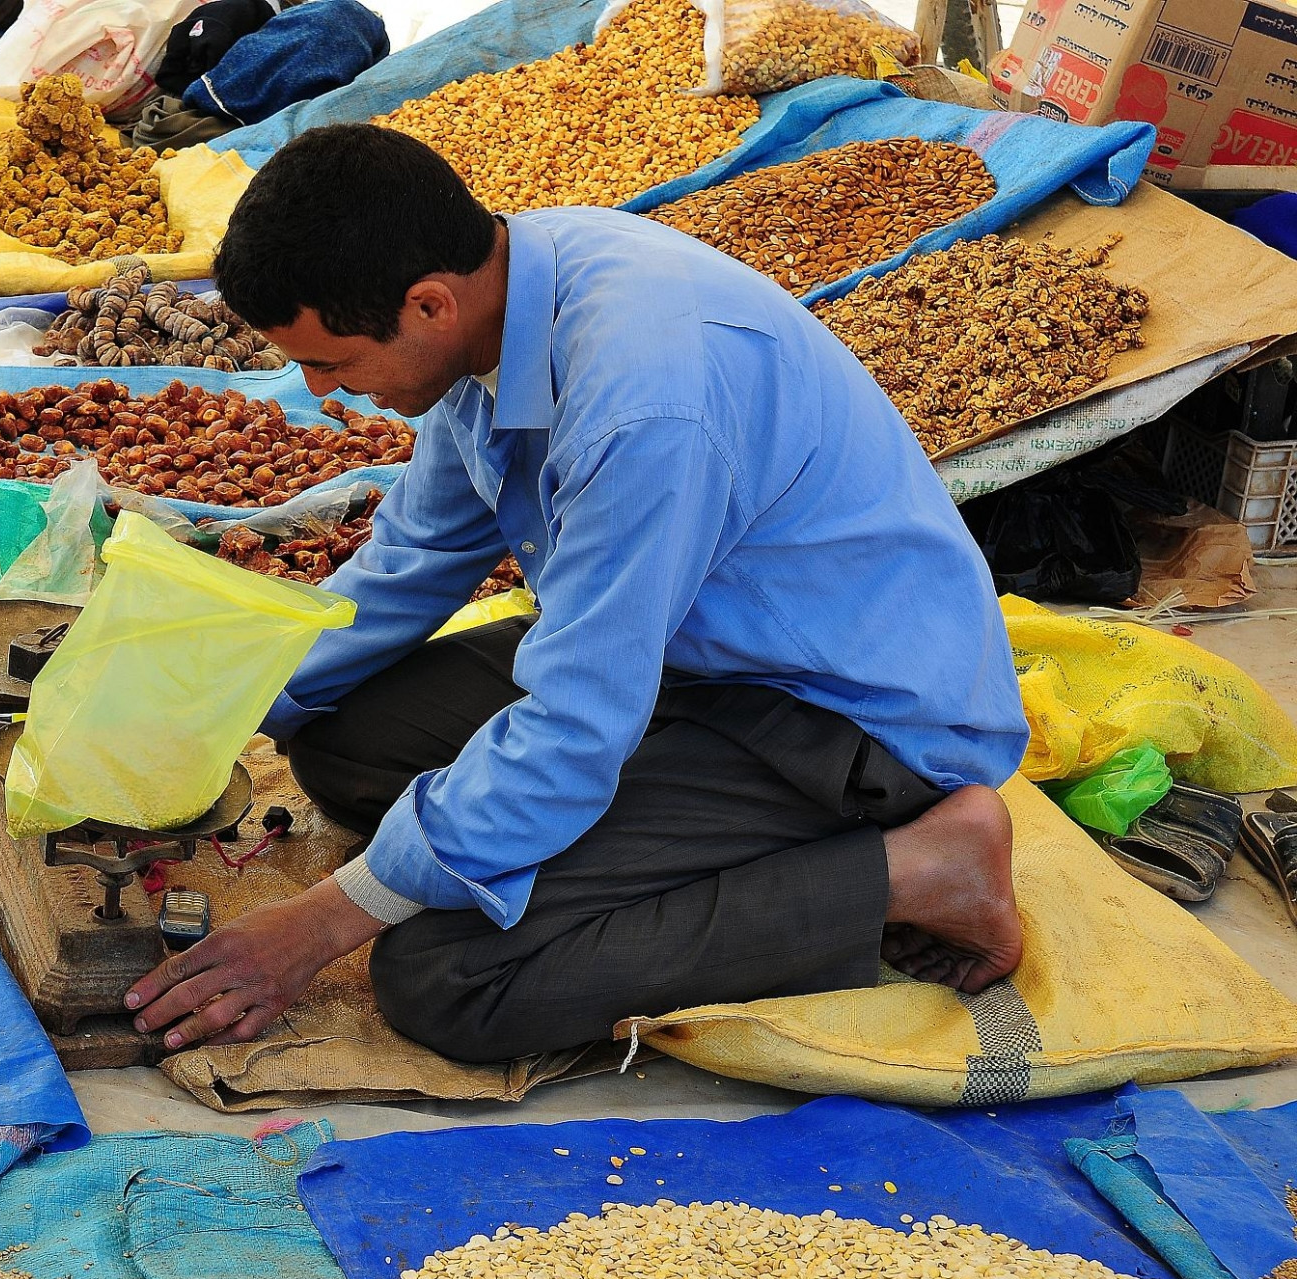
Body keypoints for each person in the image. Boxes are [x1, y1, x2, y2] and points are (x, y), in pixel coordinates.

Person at [125, 124, 1031, 1065]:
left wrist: (319, 923)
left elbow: (578, 717)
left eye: (333, 364)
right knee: (344, 739)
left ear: (428, 305)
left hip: (837, 718)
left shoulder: (644, 401)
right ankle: (643, 834)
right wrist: (208, 718)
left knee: (447, 975)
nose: (321, 391)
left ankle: (918, 869)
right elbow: (414, 558)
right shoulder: (503, 288)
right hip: (684, 653)